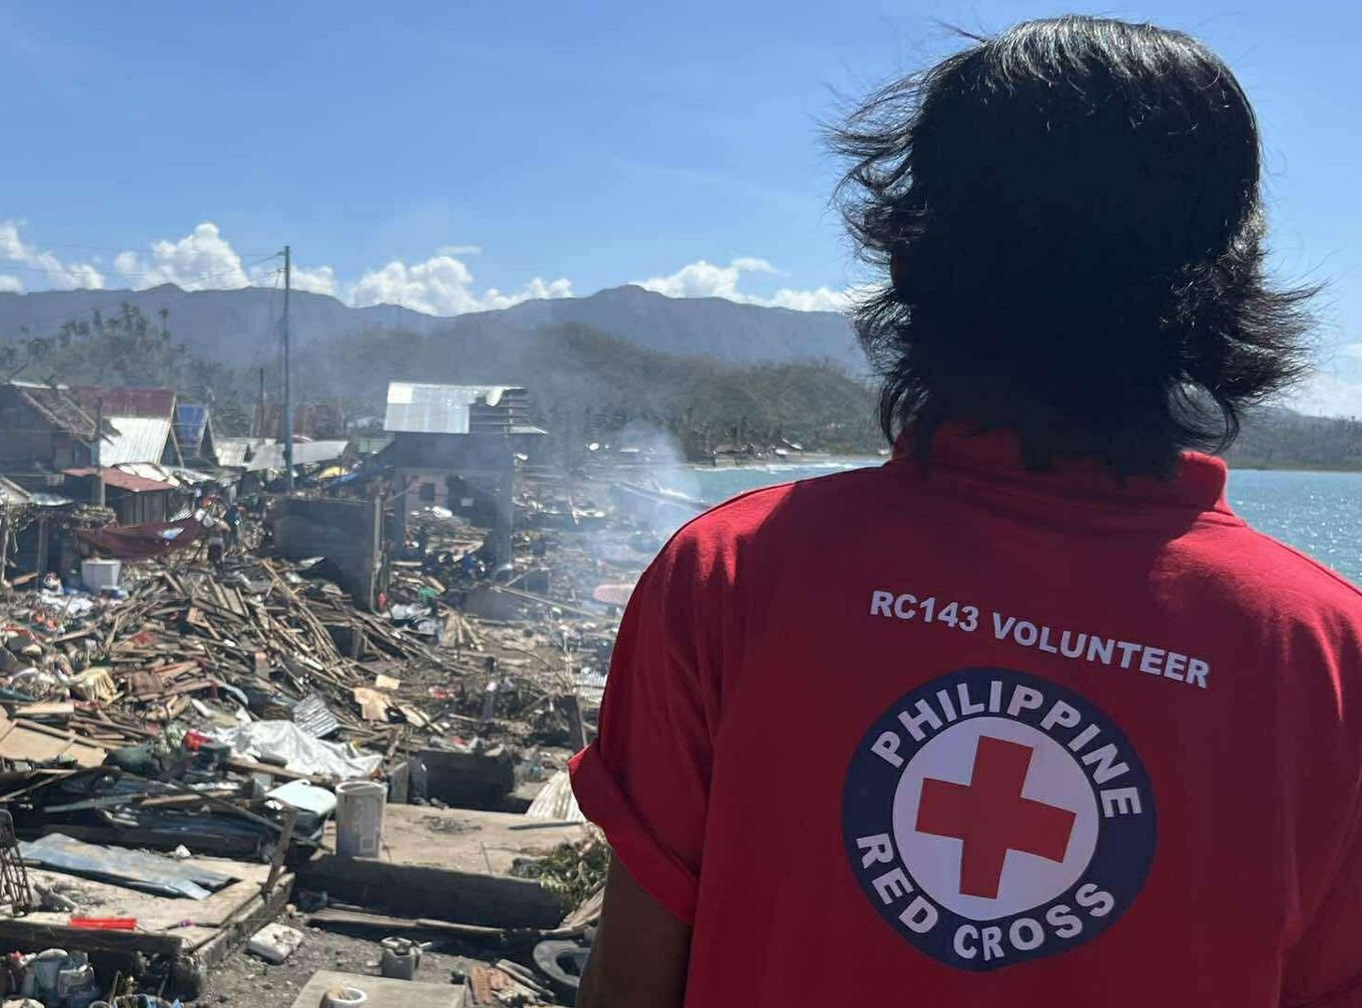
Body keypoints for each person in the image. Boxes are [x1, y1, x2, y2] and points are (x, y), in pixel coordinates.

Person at [572, 18, 1358, 1008]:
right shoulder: (1329, 662)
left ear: (914, 252)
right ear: (1227, 272)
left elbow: (630, 984)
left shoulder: (734, 576)